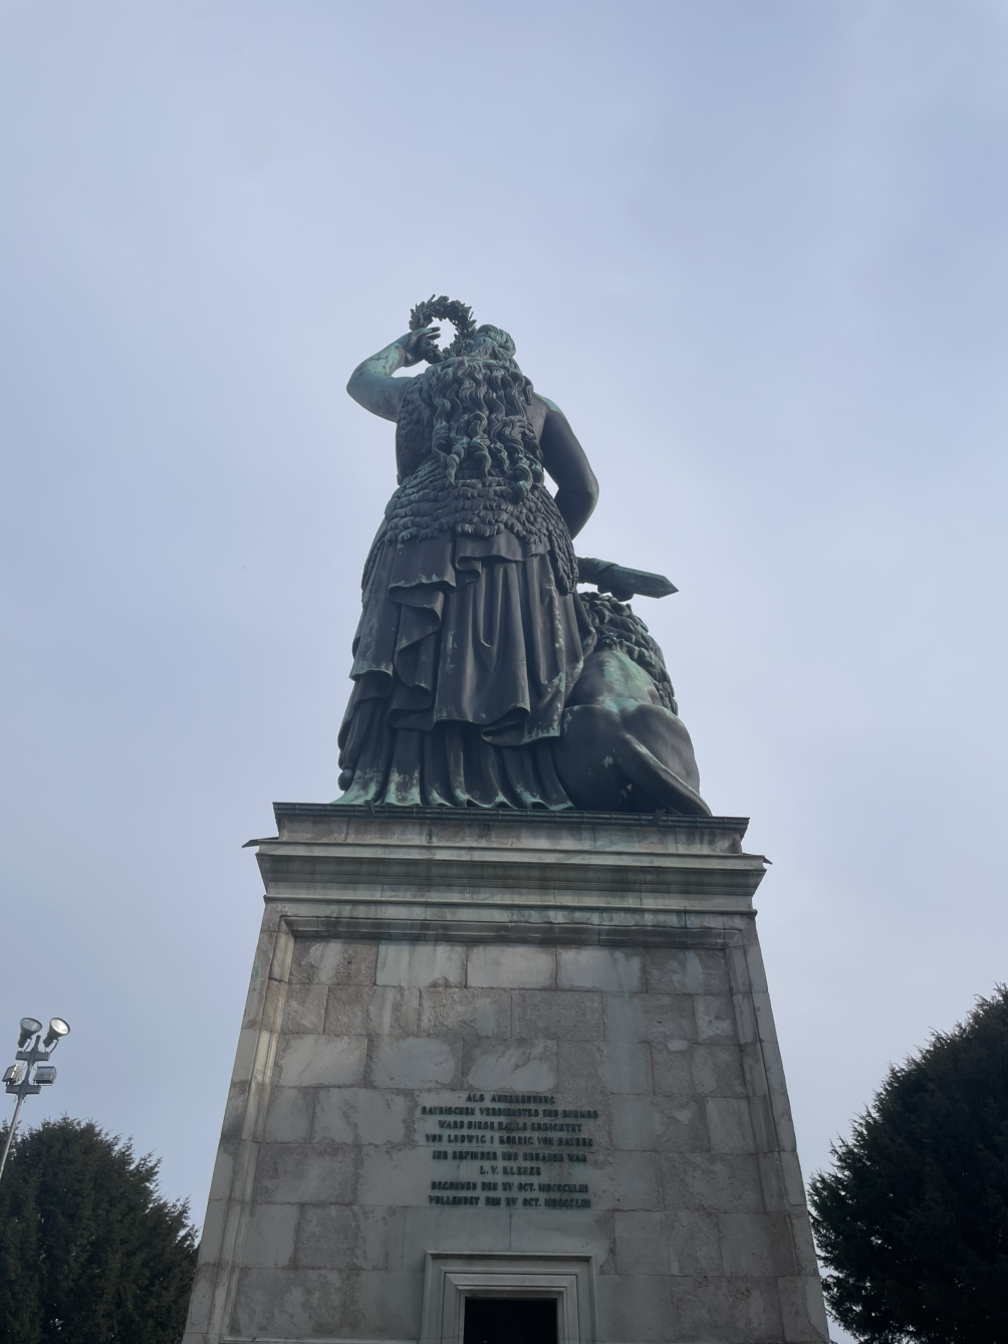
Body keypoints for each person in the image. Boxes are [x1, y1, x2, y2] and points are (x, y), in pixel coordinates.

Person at [336, 321, 600, 808]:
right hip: (523, 533)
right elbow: (584, 489)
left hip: (423, 527)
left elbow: (362, 382)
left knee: (420, 657)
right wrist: (544, 543)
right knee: (513, 662)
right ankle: (525, 781)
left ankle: (402, 778)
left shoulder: (423, 389)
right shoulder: (538, 405)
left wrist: (405, 348)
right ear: (508, 360)